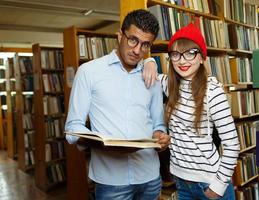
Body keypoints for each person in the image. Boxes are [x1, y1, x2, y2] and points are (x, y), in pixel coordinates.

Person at [65, 9, 170, 200]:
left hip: (151, 177)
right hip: (111, 181)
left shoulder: (151, 77)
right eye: (133, 40)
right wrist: (103, 144)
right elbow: (73, 127)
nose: (138, 50)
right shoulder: (89, 72)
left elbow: (158, 123)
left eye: (145, 44)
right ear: (120, 35)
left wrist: (160, 136)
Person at [144, 23, 240, 199]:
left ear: (202, 57)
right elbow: (145, 75)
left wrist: (217, 187)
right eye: (176, 54)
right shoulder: (170, 84)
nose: (182, 60)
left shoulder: (212, 91)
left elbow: (232, 145)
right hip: (181, 182)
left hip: (209, 183)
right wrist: (149, 61)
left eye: (190, 53)